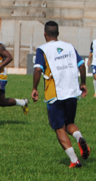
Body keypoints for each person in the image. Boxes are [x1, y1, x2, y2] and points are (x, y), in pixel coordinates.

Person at [31, 21, 91, 168]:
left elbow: (38, 69)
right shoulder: (69, 46)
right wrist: (83, 83)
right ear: (58, 34)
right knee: (69, 123)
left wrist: (34, 88)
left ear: (45, 34)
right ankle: (79, 137)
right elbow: (82, 65)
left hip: (55, 94)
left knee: (59, 128)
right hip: (72, 91)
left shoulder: (42, 49)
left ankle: (74, 160)